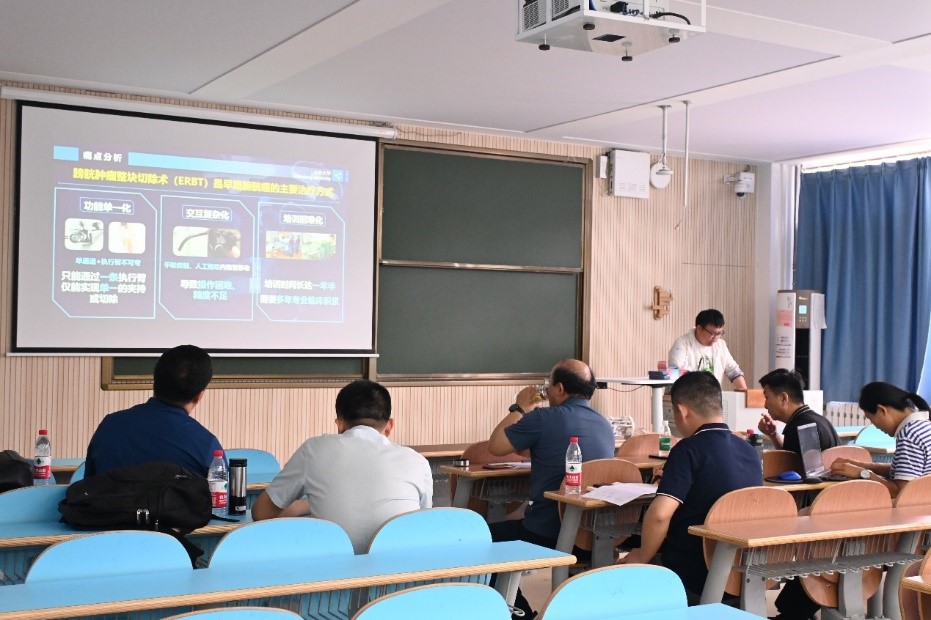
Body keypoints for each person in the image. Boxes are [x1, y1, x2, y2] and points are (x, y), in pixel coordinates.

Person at [772, 381, 931, 620]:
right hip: (920, 522)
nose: (875, 426)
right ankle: (793, 611)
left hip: (904, 527)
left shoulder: (909, 435)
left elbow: (902, 491)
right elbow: (903, 474)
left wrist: (862, 474)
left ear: (882, 410)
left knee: (827, 541)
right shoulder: (924, 427)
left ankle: (793, 611)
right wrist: (862, 466)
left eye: (871, 418)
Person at [487, 358, 615, 618]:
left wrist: (520, 407)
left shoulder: (543, 418)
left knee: (481, 540)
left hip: (549, 532)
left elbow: (496, 446)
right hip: (594, 534)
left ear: (559, 388)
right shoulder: (604, 424)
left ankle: (520, 614)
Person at [619, 371, 761, 601]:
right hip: (741, 571)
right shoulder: (749, 451)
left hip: (691, 573)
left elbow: (660, 515)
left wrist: (642, 555)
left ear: (682, 410)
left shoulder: (688, 450)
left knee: (621, 570)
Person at [252, 380, 432, 554]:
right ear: (389, 426)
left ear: (340, 424)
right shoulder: (417, 462)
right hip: (400, 572)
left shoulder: (313, 450)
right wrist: (306, 505)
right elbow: (423, 526)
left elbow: (261, 513)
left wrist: (307, 505)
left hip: (330, 571)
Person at [84, 344, 222, 477]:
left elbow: (88, 486)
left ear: (155, 382)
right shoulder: (207, 447)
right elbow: (222, 492)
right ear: (199, 395)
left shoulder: (109, 426)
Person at [757, 368, 840, 454]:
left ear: (784, 398)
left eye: (767, 397)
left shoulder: (802, 429)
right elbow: (793, 458)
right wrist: (774, 435)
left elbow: (798, 462)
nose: (765, 405)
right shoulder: (819, 421)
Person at [668, 309, 748, 390]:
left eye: (719, 333)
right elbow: (674, 372)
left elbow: (733, 371)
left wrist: (745, 393)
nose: (716, 338)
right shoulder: (683, 344)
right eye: (712, 334)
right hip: (686, 395)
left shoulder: (720, 345)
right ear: (699, 329)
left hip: (713, 396)